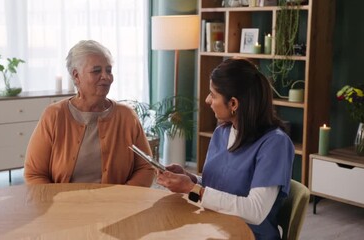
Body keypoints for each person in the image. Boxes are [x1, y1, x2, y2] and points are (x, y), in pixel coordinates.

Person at [157, 58, 294, 239]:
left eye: (213, 95)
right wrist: (190, 179)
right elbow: (221, 186)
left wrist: (193, 189)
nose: (207, 100)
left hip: (248, 235)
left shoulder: (275, 144)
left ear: (234, 104)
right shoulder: (222, 132)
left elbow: (255, 211)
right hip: (213, 227)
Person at [24, 40, 155, 186]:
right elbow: (34, 174)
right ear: (76, 76)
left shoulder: (127, 116)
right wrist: (56, 204)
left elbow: (146, 167)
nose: (106, 77)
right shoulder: (54, 115)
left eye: (109, 70)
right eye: (97, 71)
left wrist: (122, 200)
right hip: (63, 205)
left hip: (116, 205)